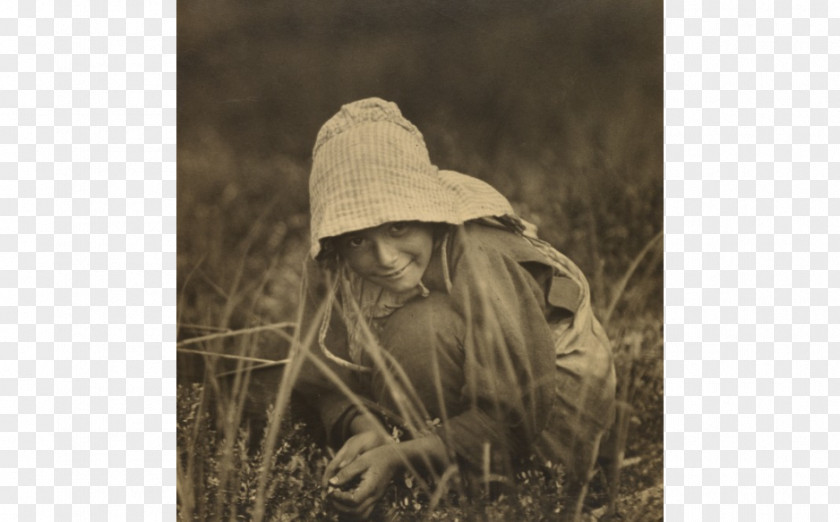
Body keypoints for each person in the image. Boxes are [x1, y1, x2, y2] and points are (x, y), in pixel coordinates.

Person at [290, 97, 616, 520]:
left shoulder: (479, 253)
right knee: (271, 381)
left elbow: (511, 419)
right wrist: (365, 427)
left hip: (549, 433)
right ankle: (425, 474)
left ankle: (462, 494)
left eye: (398, 226)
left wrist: (397, 458)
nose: (385, 257)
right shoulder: (338, 268)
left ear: (428, 213)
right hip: (455, 421)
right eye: (357, 240)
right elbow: (321, 378)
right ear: (336, 241)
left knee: (419, 330)